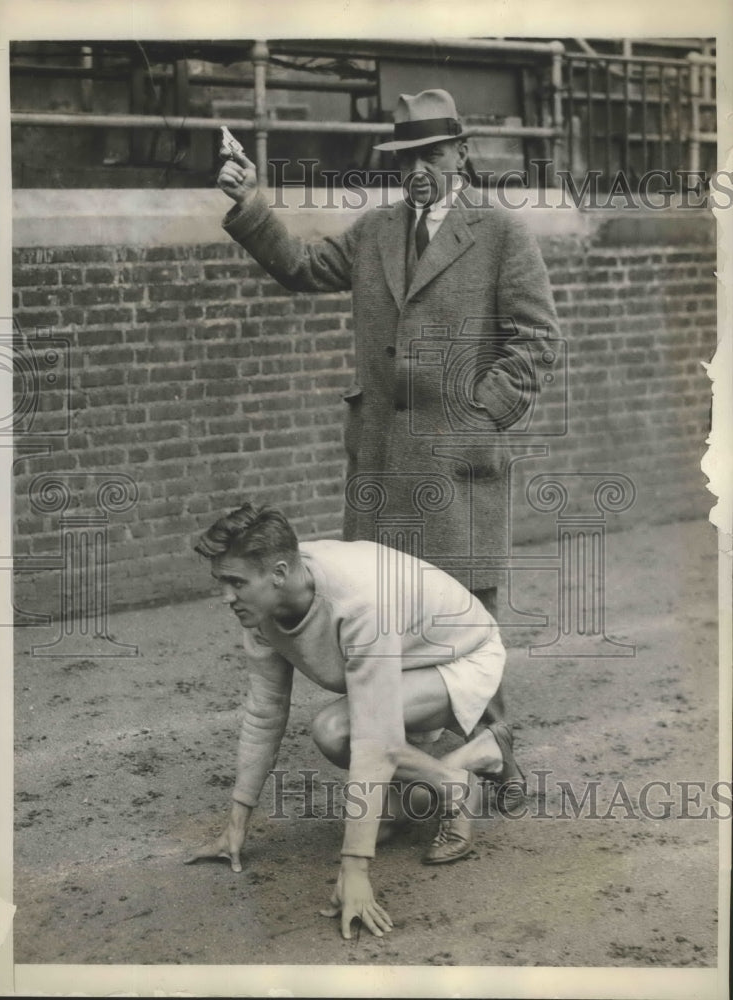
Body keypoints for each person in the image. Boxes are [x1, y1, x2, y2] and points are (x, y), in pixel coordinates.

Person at [217, 88, 559, 756]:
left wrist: (475, 420)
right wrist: (248, 201)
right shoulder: (375, 231)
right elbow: (301, 267)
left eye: (431, 153)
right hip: (379, 464)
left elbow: (536, 342)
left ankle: (492, 755)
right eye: (405, 157)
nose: (418, 170)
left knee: (465, 623)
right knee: (386, 622)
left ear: (461, 152)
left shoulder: (500, 234)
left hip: (455, 470)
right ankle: (413, 775)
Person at [184, 501, 525, 940]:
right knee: (346, 737)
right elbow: (265, 711)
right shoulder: (260, 608)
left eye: (234, 583)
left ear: (280, 573)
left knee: (338, 730)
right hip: (408, 660)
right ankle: (473, 762)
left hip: (463, 656)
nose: (225, 597)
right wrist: (235, 826)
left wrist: (355, 868)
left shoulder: (359, 601)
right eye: (221, 582)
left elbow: (375, 741)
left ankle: (457, 784)